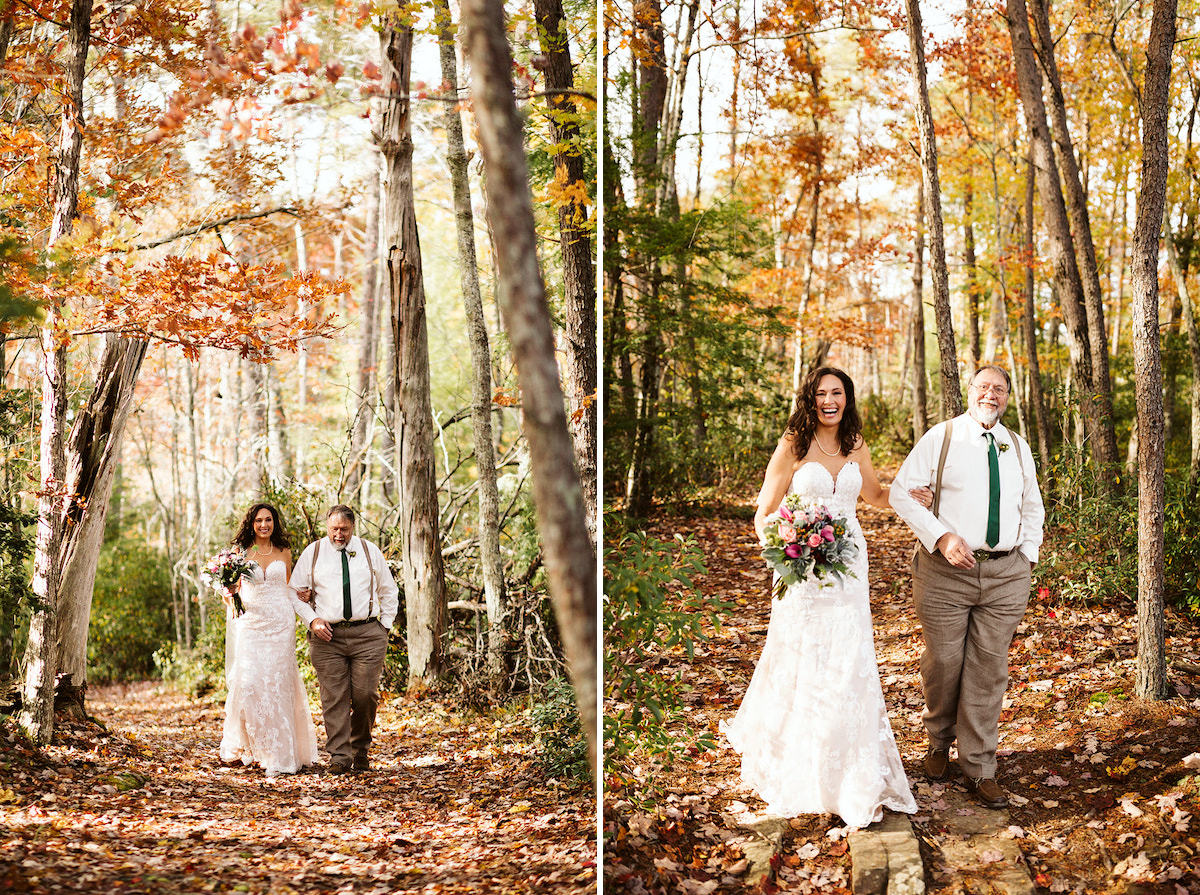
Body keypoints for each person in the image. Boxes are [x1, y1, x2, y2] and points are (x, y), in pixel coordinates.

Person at [721, 366, 925, 828]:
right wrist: (785, 548)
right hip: (803, 571)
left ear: (847, 398)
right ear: (809, 399)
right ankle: (803, 767)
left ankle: (852, 773)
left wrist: (912, 495)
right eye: (821, 393)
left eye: (837, 393)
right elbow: (764, 511)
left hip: (850, 567)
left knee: (849, 659)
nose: (829, 400)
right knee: (805, 660)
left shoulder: (856, 444)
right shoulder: (793, 443)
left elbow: (873, 495)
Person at [889, 364, 1045, 810]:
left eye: (999, 389)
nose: (990, 394)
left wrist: (1027, 556)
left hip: (1005, 575)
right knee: (944, 661)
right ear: (970, 392)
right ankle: (939, 744)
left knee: (988, 669)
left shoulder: (1017, 445)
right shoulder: (942, 437)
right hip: (944, 574)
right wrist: (941, 535)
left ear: (1008, 397)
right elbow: (902, 492)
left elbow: (1031, 505)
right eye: (983, 386)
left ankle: (979, 766)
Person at [290, 505, 399, 775]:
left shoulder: (369, 550)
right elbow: (293, 592)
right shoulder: (313, 552)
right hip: (327, 637)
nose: (338, 534)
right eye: (334, 529)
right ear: (327, 526)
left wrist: (384, 626)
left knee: (365, 696)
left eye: (344, 529)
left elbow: (388, 589)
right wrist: (312, 620)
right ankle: (340, 757)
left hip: (368, 634)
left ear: (353, 527)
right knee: (334, 697)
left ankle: (360, 749)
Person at [219, 502, 320, 777]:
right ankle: (254, 747)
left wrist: (303, 595)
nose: (264, 525)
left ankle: (281, 752)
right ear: (251, 524)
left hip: (280, 623)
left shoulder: (284, 550)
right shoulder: (240, 553)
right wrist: (227, 591)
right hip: (250, 623)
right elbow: (229, 589)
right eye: (259, 520)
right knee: (250, 684)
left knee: (277, 685)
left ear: (274, 522)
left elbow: (288, 587)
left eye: (269, 520)